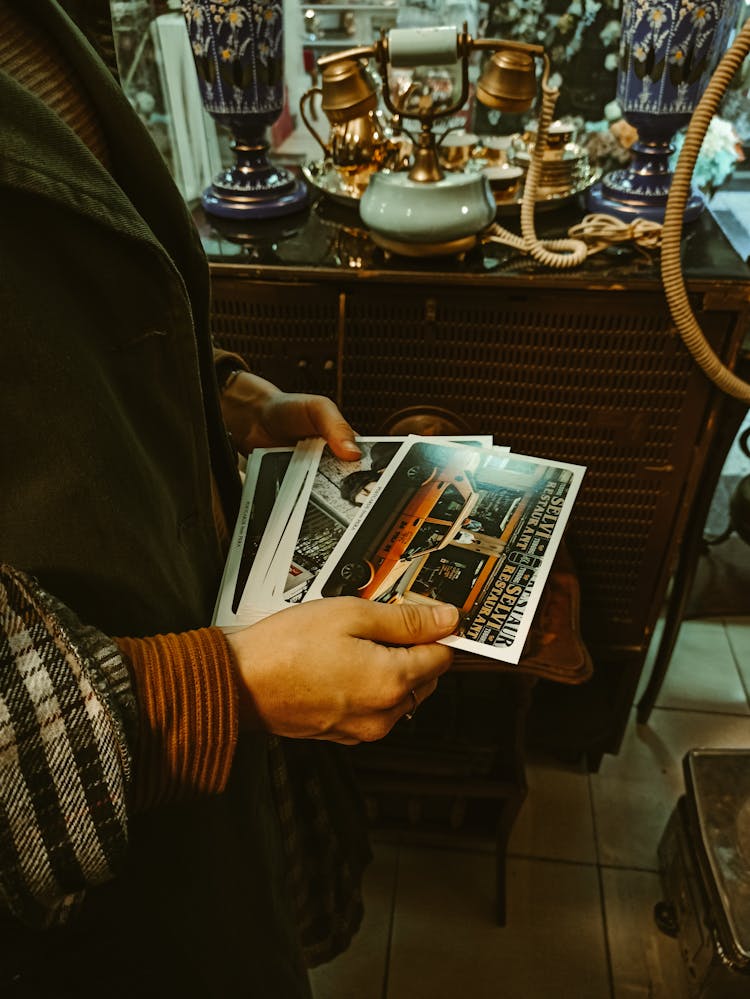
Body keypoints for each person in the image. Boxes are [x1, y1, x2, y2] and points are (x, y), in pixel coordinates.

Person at [0, 1, 458, 995]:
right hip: (80, 908)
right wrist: (219, 694)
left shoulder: (39, 22)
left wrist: (216, 392)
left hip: (205, 757)